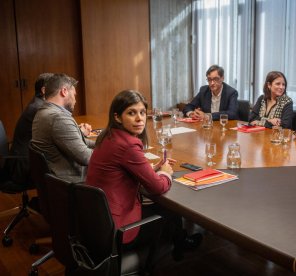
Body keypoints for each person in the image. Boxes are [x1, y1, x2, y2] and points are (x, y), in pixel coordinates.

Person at [86, 90, 201, 258]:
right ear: (117, 117)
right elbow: (157, 187)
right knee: (170, 209)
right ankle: (179, 246)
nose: (140, 118)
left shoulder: (108, 136)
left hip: (98, 221)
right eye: (131, 113)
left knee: (162, 206)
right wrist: (166, 173)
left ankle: (179, 243)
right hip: (118, 230)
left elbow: (122, 172)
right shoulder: (128, 145)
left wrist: (152, 170)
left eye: (142, 112)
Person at [32, 73, 95, 182]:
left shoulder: (43, 112)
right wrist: (110, 150)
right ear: (64, 91)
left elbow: (82, 142)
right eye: (74, 95)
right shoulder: (58, 118)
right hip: (73, 182)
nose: (75, 100)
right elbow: (86, 157)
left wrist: (104, 142)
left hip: (57, 180)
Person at [5, 73, 53, 185]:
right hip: (24, 166)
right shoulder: (39, 108)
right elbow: (56, 134)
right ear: (44, 90)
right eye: (56, 87)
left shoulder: (37, 103)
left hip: (24, 160)